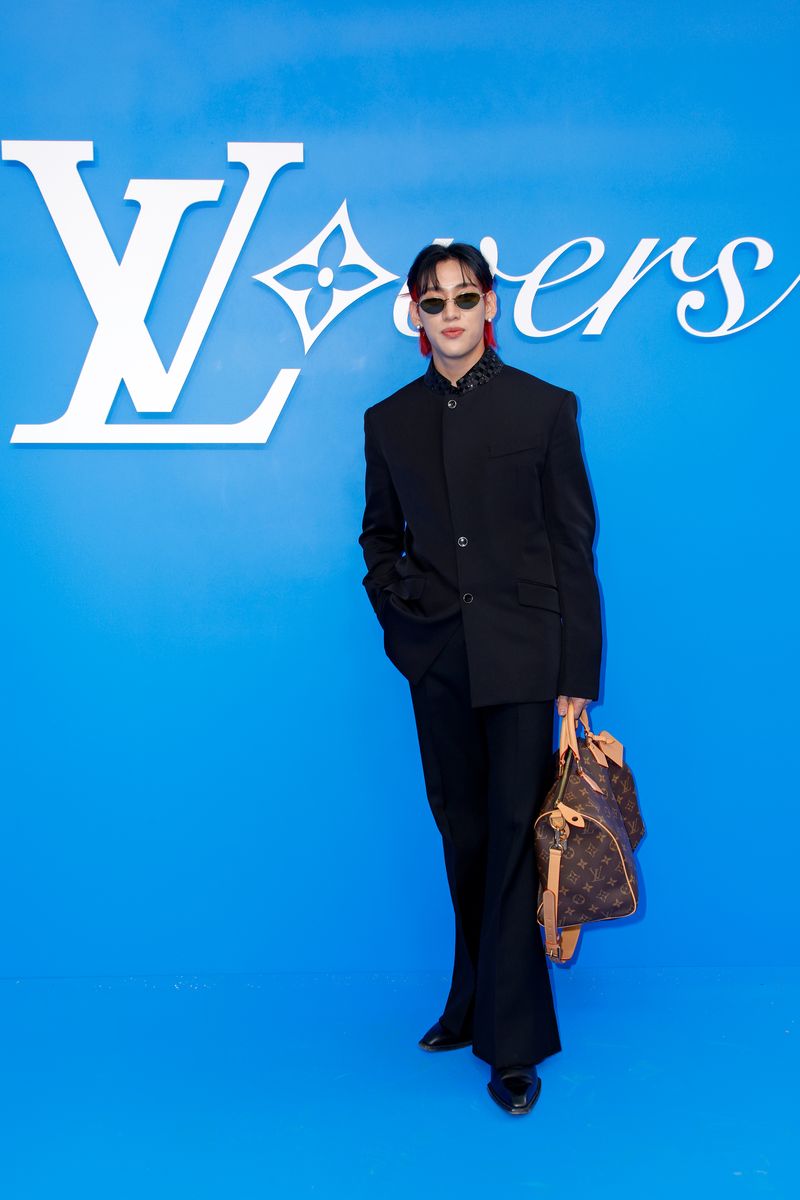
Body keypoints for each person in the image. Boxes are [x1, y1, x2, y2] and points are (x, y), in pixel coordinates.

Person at [358, 242, 602, 1116]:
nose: (451, 312)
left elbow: (572, 543)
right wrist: (404, 618)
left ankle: (513, 1043)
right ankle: (468, 1001)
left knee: (510, 835)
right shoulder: (387, 422)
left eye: (466, 296)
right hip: (438, 661)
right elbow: (378, 538)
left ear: (490, 305)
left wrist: (576, 671)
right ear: (415, 315)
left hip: (527, 657)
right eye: (434, 301)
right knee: (462, 833)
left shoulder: (544, 408)